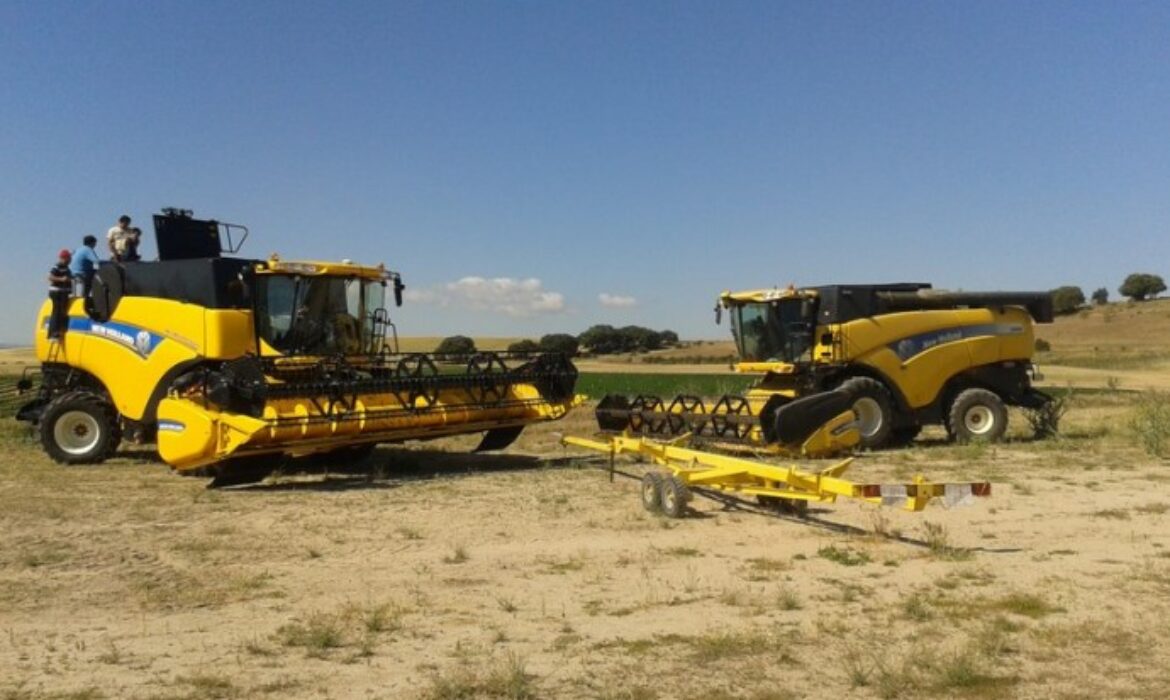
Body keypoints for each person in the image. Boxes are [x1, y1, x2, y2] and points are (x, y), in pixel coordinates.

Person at [48, 249, 73, 339]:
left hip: (64, 293)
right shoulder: (57, 266)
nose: (70, 260)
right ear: (64, 258)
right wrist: (61, 279)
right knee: (57, 311)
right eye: (69, 258)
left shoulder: (67, 268)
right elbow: (50, 277)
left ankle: (61, 329)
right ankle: (53, 333)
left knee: (62, 312)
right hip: (57, 292)